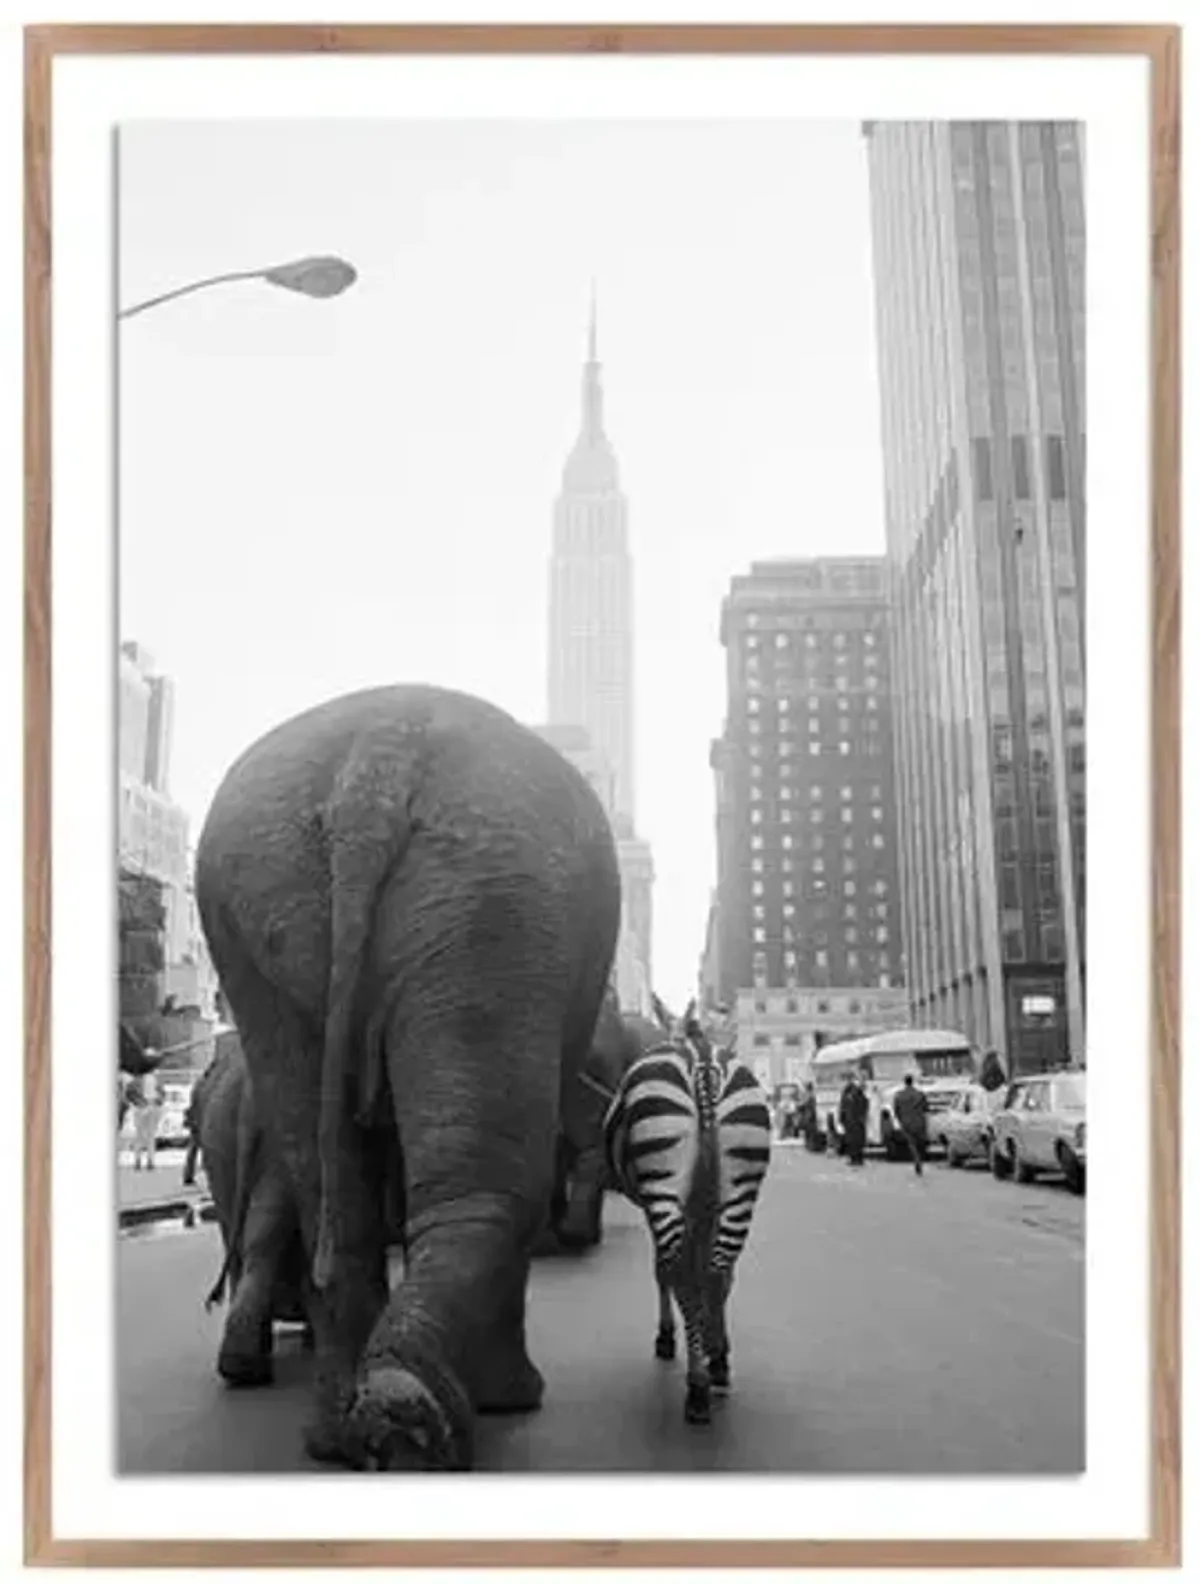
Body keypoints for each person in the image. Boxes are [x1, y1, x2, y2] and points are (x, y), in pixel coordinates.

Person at [892, 1072, 930, 1176]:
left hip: (906, 1122)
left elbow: (896, 1110)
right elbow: (926, 1108)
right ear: (912, 1082)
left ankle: (917, 1160)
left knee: (912, 1143)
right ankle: (920, 1159)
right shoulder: (920, 1094)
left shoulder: (899, 1095)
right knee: (920, 1143)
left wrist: (900, 1120)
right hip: (919, 1121)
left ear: (904, 1082)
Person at [131, 1066, 162, 1171]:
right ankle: (137, 1161)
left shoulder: (156, 1078)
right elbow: (129, 1093)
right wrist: (139, 1103)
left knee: (151, 1136)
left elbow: (162, 1092)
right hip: (140, 1108)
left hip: (153, 1107)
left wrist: (158, 1100)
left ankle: (150, 1161)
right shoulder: (136, 1079)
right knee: (139, 1136)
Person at [838, 1074, 869, 1167]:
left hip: (851, 1120)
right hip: (857, 1121)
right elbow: (865, 1106)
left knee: (852, 1141)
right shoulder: (858, 1094)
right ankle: (858, 1158)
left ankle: (855, 1159)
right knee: (857, 1141)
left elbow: (843, 1108)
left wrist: (842, 1119)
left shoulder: (849, 1094)